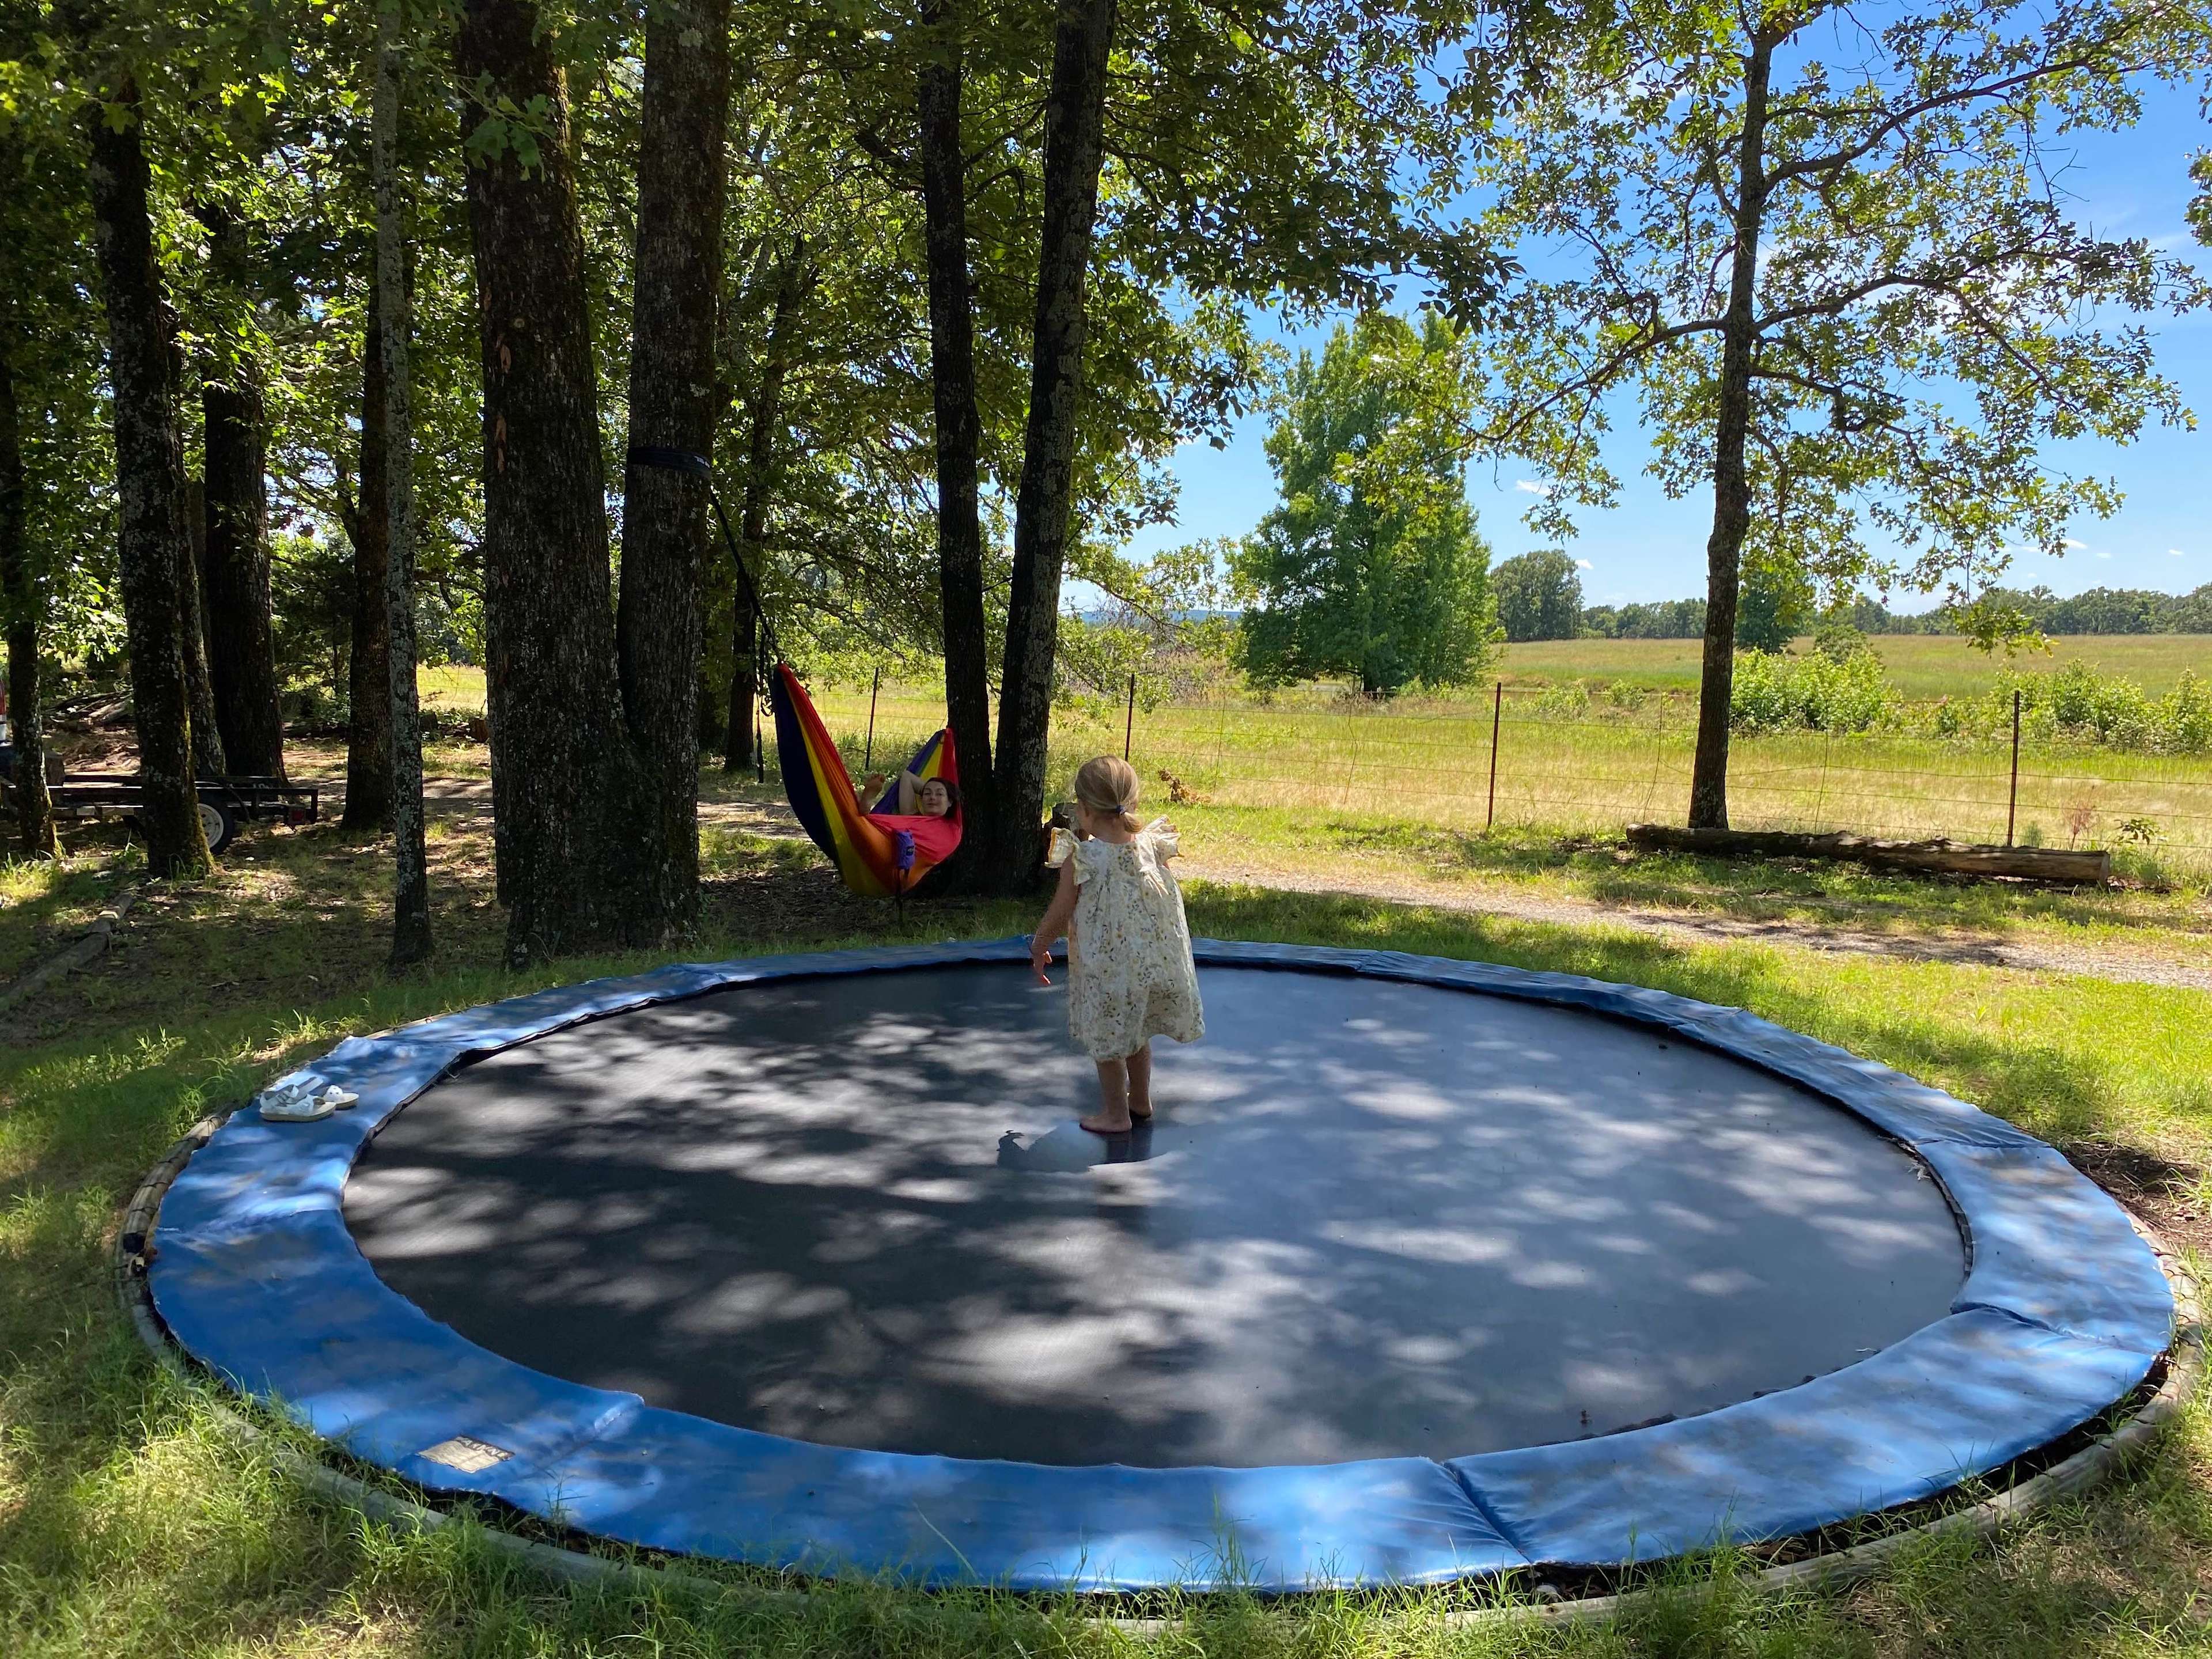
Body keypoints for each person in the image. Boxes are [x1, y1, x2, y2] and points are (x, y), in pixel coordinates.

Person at [1029, 756, 1204, 1134]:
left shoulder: (1083, 857)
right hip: (1149, 965)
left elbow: (1061, 910)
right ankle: (1139, 1100)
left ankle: (1116, 1115)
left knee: (1107, 1040)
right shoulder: (1151, 845)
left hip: (1106, 969)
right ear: (1133, 803)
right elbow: (1163, 903)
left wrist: (1040, 944)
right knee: (1137, 1034)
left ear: (1084, 810)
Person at [860, 767, 958, 820]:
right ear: (922, 799)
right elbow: (907, 776)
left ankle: (865, 811)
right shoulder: (913, 817)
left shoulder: (953, 825)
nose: (932, 797)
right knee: (867, 823)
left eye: (939, 794)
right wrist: (930, 789)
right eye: (927, 794)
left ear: (950, 802)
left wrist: (930, 789)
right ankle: (866, 806)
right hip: (905, 826)